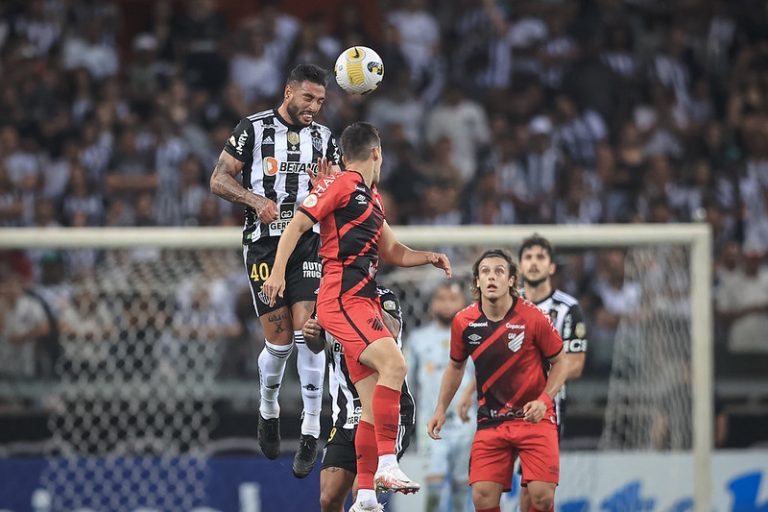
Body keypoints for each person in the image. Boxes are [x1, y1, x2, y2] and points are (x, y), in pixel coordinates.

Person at [261, 121, 452, 512]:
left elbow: (394, 251)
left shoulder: (371, 198)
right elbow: (297, 224)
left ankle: (365, 494)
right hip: (342, 297)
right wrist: (279, 271)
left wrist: (427, 257)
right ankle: (386, 464)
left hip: (361, 297)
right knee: (395, 366)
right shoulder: (341, 185)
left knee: (369, 405)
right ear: (377, 152)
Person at [209, 63, 340, 477]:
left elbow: (342, 190)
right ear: (288, 92)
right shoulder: (253, 128)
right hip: (264, 245)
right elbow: (218, 179)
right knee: (280, 342)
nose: (314, 107)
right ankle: (268, 408)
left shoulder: (324, 138)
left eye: (320, 101)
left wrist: (330, 187)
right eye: (307, 98)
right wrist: (253, 200)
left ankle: (310, 429)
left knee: (309, 332)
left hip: (309, 243)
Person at [427, 249, 568, 512]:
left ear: (512, 280)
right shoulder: (464, 321)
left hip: (534, 418)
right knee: (482, 496)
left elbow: (562, 362)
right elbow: (456, 366)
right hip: (491, 420)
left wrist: (544, 400)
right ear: (477, 281)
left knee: (541, 497)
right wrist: (440, 409)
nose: (492, 277)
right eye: (485, 272)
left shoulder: (534, 317)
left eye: (499, 271)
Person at [459, 235, 588, 512]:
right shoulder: (502, 303)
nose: (533, 263)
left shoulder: (567, 309)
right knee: (491, 490)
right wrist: (469, 391)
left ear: (551, 267)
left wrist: (541, 382)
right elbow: (492, 361)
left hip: (544, 406)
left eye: (540, 257)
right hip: (498, 409)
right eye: (528, 257)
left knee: (534, 494)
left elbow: (574, 363)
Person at [302, 287, 415, 512]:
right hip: (345, 415)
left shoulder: (383, 296)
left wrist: (361, 305)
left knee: (362, 494)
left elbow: (392, 331)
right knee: (328, 497)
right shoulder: (326, 299)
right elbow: (317, 346)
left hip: (386, 413)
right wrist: (311, 334)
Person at [406, 281, 474, 512]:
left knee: (462, 484)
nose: (447, 305)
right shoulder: (418, 339)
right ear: (432, 304)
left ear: (463, 303)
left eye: (452, 299)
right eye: (441, 299)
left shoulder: (474, 337)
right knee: (434, 484)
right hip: (431, 422)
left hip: (467, 422)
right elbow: (408, 383)